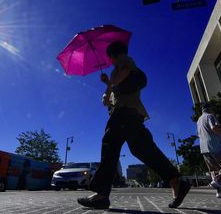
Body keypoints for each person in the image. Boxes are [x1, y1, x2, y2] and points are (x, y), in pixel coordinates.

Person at [77, 41, 190, 209]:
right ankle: (176, 181)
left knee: (110, 147)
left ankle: (101, 195)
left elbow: (123, 75)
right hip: (130, 115)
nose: (110, 61)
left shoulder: (125, 61)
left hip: (124, 114)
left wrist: (110, 82)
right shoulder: (115, 75)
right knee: (143, 149)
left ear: (113, 55)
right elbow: (106, 101)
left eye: (110, 57)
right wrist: (107, 84)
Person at [197, 103, 221, 198]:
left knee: (214, 170)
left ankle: (220, 192)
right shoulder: (210, 116)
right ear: (210, 109)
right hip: (214, 146)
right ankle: (217, 181)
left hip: (204, 148)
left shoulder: (199, 120)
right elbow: (214, 128)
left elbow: (200, 134)